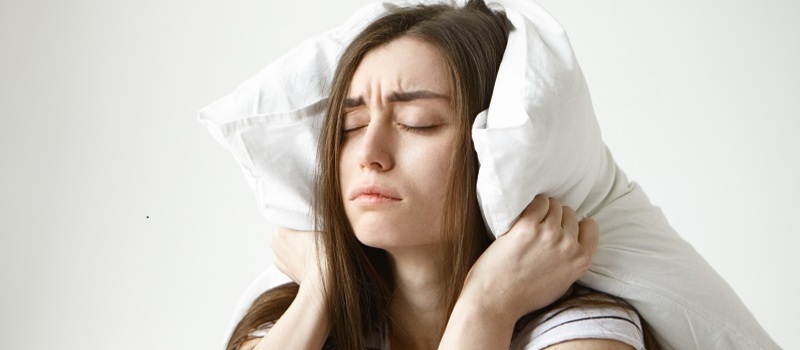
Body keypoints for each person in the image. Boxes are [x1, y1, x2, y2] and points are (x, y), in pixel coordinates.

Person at [227, 1, 660, 349]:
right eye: (350, 127)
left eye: (417, 122)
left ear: (488, 149)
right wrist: (323, 288)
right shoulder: (291, 323)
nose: (369, 154)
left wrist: (487, 305)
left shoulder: (583, 337)